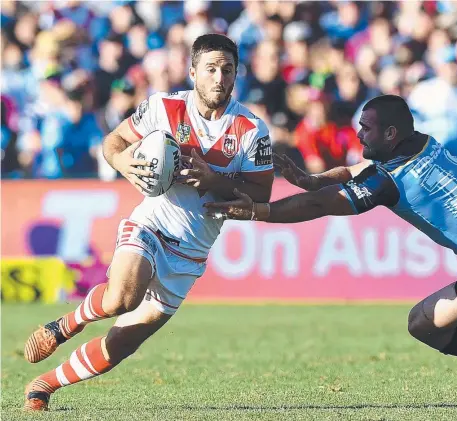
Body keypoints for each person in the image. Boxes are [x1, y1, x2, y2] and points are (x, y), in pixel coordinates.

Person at [206, 94, 457, 405]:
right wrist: (310, 178)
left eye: (365, 128)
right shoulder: (421, 142)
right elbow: (354, 172)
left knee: (422, 323)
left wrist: (258, 210)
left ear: (389, 134)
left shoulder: (390, 179)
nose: (358, 133)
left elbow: (323, 205)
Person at [23, 34, 274, 411]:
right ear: (193, 73)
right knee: (122, 298)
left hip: (191, 251)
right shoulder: (164, 107)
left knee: (122, 345)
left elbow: (262, 193)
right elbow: (114, 141)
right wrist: (122, 163)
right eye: (210, 69)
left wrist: (215, 180)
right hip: (151, 223)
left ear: (236, 73)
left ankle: (43, 385)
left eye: (228, 69)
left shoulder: (252, 130)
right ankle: (66, 325)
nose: (219, 77)